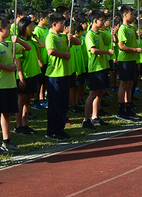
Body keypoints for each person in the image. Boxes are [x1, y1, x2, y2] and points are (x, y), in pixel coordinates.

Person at [0, 17, 31, 154]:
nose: (10, 32)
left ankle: (6, 141)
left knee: (7, 114)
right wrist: (9, 67)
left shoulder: (10, 44)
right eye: (8, 30)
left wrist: (18, 40)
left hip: (10, 84)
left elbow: (28, 47)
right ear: (0, 30)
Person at [45, 12, 80, 140]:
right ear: (54, 24)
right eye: (61, 23)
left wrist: (71, 37)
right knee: (55, 104)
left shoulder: (64, 36)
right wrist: (64, 55)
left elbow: (78, 42)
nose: (64, 26)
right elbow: (51, 51)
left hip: (66, 73)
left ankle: (60, 129)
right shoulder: (51, 37)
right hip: (55, 74)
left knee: (63, 103)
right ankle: (52, 130)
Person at [82, 11, 114, 129]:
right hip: (95, 68)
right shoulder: (90, 35)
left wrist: (113, 34)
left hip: (103, 66)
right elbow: (93, 50)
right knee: (93, 93)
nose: (104, 22)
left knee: (100, 93)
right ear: (95, 21)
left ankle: (95, 116)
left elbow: (111, 41)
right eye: (102, 20)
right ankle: (86, 119)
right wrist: (107, 52)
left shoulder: (101, 33)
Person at [14, 17, 44, 135]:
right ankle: (18, 126)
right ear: (23, 28)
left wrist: (35, 35)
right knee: (21, 101)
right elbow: (18, 62)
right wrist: (21, 78)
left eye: (33, 26)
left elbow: (42, 45)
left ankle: (25, 124)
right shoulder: (19, 43)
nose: (32, 28)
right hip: (24, 75)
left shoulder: (32, 41)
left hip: (33, 74)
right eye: (30, 27)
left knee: (27, 101)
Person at [116, 6, 142, 121]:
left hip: (132, 60)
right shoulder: (122, 29)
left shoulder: (133, 28)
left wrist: (140, 34)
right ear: (125, 15)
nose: (133, 16)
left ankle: (128, 106)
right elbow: (121, 46)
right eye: (131, 14)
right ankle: (121, 109)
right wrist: (135, 50)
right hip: (124, 60)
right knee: (124, 84)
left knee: (130, 84)